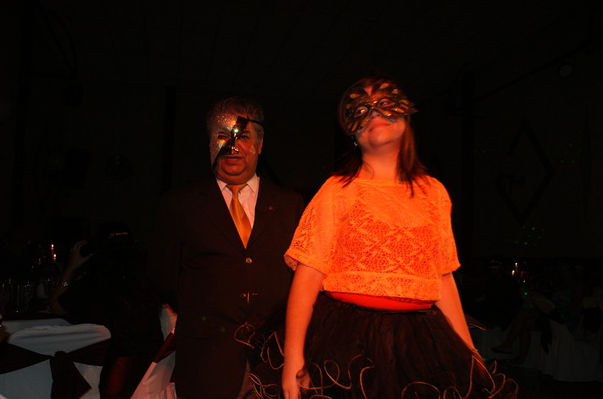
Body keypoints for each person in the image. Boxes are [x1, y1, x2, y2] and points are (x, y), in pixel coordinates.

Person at [249, 76, 518, 398]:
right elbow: (307, 277)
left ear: (406, 118)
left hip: (419, 346)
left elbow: (442, 279)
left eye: (386, 104)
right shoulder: (337, 191)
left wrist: (470, 353)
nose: (374, 112)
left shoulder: (434, 194)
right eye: (361, 109)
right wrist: (294, 358)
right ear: (352, 131)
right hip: (347, 345)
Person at [148, 96, 305, 398]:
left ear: (259, 144)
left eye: (242, 136)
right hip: (206, 361)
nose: (232, 146)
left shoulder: (290, 205)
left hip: (274, 361)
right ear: (209, 144)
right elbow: (162, 277)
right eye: (222, 136)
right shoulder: (180, 205)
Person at [48, 223, 164, 399]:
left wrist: (71, 267)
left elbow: (55, 305)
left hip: (107, 380)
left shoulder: (96, 283)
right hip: (149, 379)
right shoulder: (149, 282)